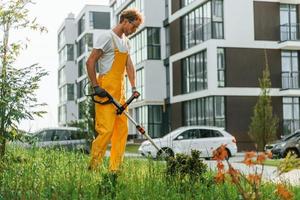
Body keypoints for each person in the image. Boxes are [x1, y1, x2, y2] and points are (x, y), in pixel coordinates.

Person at [86, 8, 143, 172]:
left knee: (122, 131)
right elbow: (90, 62)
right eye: (134, 26)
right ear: (125, 21)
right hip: (105, 91)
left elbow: (129, 66)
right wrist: (96, 86)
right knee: (106, 131)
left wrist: (134, 87)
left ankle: (114, 169)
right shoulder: (106, 37)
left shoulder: (126, 42)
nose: (134, 30)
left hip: (120, 92)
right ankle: (93, 167)